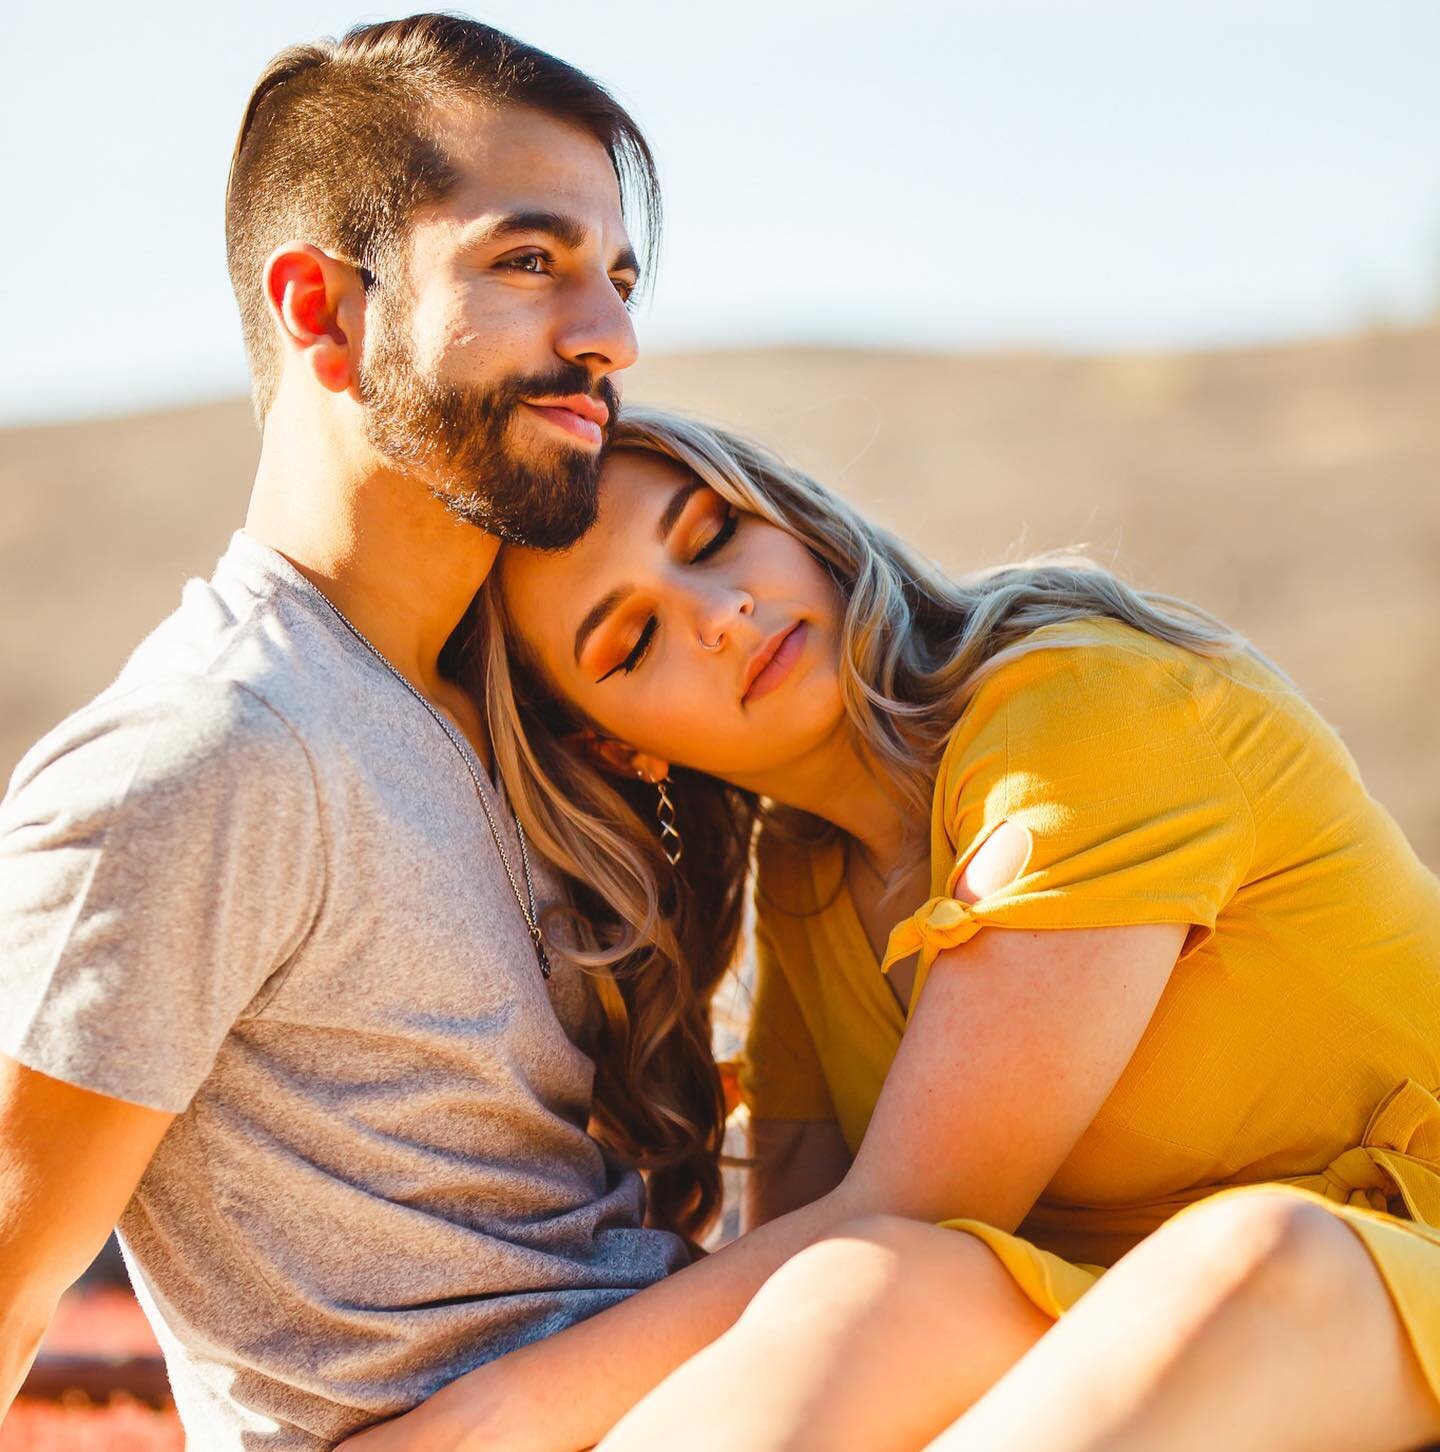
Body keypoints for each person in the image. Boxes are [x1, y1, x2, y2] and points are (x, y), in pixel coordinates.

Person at [341, 407, 1440, 1452]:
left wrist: (477, 1424)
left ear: (784, 514)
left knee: (1252, 1254)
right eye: (633, 642)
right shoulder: (812, 879)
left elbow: (919, 1200)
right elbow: (806, 1281)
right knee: (860, 1287)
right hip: (1138, 1332)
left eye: (713, 536)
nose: (719, 613)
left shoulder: (1080, 715)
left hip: (1365, 1276)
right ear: (616, 751)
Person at [0, 17, 698, 1449]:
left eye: (617, 278)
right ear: (323, 310)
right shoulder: (205, 756)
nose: (611, 336)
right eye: (529, 262)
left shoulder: (540, 708)